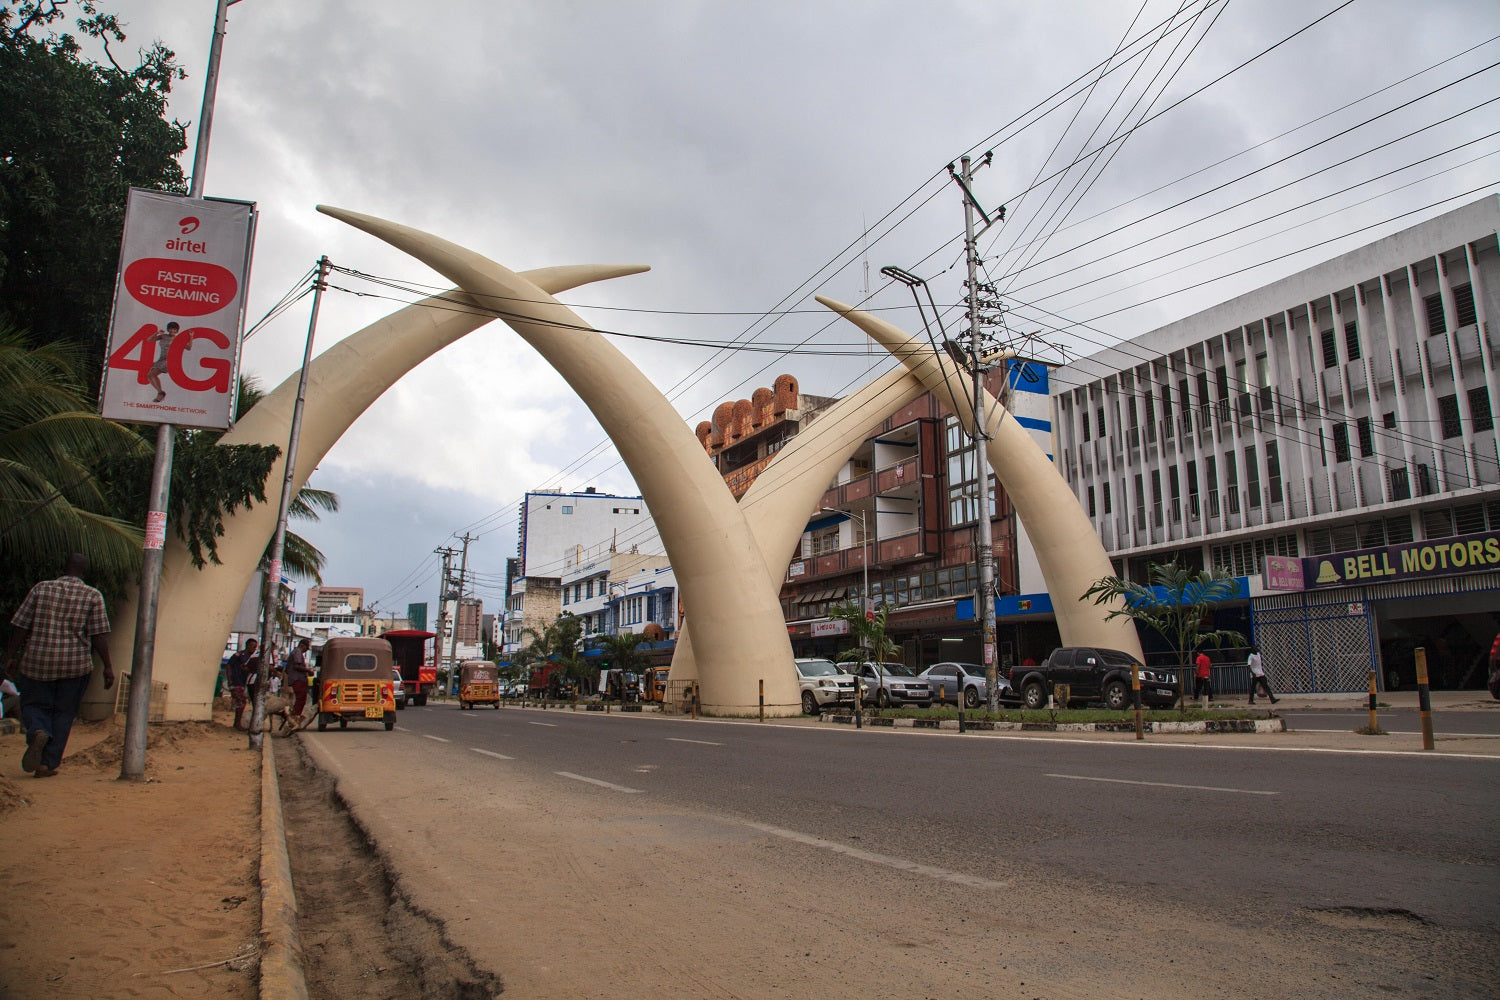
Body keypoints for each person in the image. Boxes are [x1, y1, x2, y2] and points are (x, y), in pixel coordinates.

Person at [3, 554, 115, 778]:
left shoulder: (40, 589)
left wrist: (8, 657)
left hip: (37, 661)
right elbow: (99, 635)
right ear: (84, 573)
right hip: (75, 666)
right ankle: (46, 764)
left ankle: (37, 730)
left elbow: (20, 625)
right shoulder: (92, 595)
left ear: (64, 568)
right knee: (64, 713)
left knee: (33, 704)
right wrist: (107, 666)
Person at [146, 321, 191, 402]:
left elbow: (189, 348)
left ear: (177, 330)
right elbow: (149, 340)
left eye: (174, 329)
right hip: (161, 359)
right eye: (171, 329)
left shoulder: (178, 339)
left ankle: (160, 394)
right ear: (168, 329)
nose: (172, 331)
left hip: (170, 360)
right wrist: (156, 333)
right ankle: (160, 393)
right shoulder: (163, 336)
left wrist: (191, 337)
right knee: (149, 376)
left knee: (152, 374)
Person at [225, 639, 259, 730]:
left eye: (255, 647)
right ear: (247, 645)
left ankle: (237, 723)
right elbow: (228, 666)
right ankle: (237, 724)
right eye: (252, 646)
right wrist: (229, 679)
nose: (254, 648)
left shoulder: (252, 657)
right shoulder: (239, 655)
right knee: (241, 701)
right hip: (236, 681)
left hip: (243, 682)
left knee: (240, 702)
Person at [282, 637, 313, 727]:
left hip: (297, 678)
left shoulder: (296, 652)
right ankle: (295, 716)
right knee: (300, 698)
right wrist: (308, 671)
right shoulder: (297, 652)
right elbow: (296, 666)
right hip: (297, 679)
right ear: (302, 645)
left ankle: (295, 716)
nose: (306, 650)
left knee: (301, 699)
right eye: (306, 648)